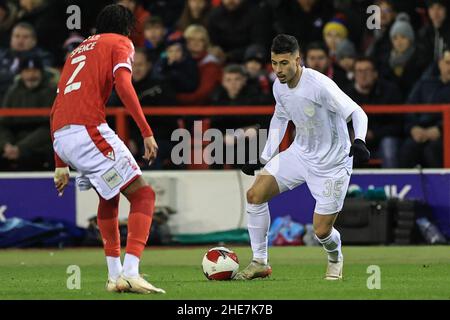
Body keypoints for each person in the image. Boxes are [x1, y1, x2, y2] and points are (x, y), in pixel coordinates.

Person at [51, 4, 165, 294]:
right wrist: (146, 131)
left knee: (110, 194)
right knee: (143, 194)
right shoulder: (120, 42)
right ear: (128, 29)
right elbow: (124, 85)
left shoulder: (75, 52)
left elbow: (57, 105)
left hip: (63, 136)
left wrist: (60, 162)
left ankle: (115, 277)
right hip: (88, 130)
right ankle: (132, 272)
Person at [236, 34, 369, 281]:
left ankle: (335, 257)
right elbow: (280, 117)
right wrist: (265, 157)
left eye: (284, 63)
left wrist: (359, 140)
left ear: (298, 60)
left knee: (321, 231)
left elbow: (357, 112)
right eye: (274, 63)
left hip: (333, 164)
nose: (278, 69)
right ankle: (260, 262)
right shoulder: (279, 86)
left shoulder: (320, 86)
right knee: (254, 195)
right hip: (300, 154)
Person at [0, 56, 56, 171]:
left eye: (35, 71)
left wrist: (20, 148)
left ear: (41, 72)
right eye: (27, 71)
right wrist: (6, 145)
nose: (31, 75)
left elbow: (50, 127)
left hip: (40, 142)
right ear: (21, 73)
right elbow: (3, 123)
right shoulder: (12, 92)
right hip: (14, 139)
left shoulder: (51, 91)